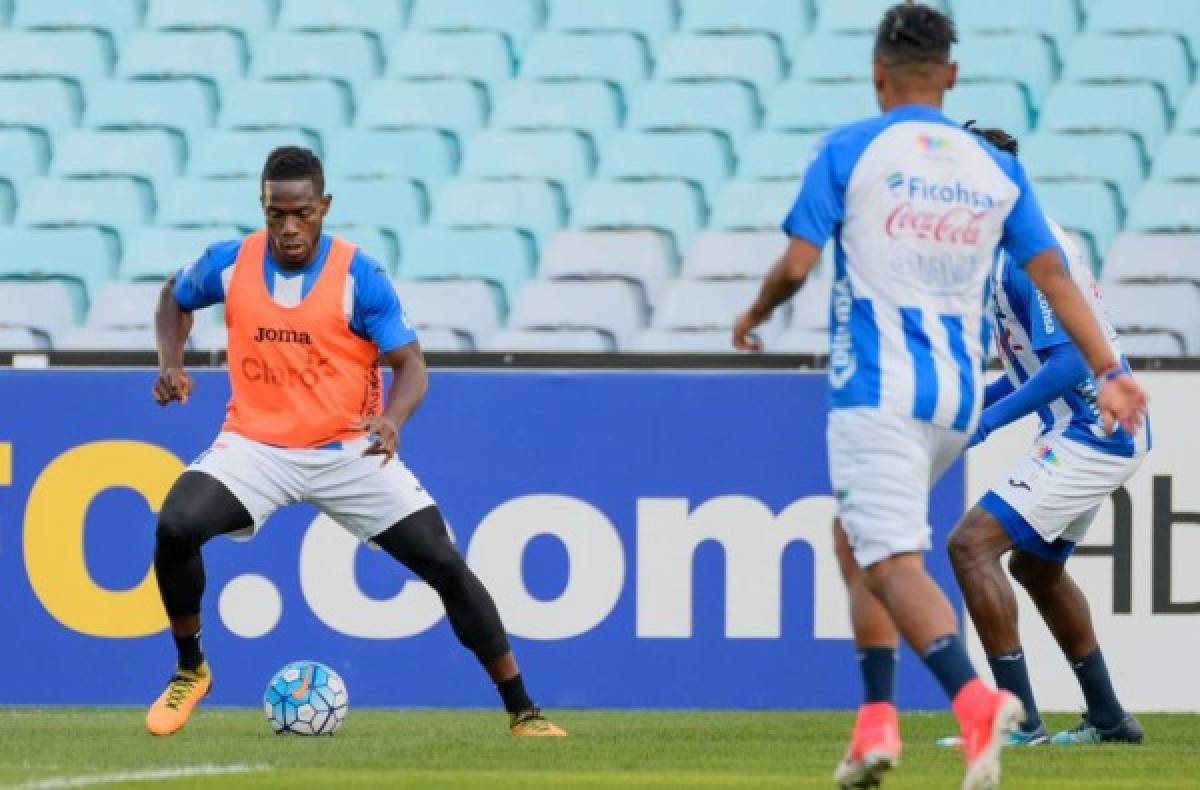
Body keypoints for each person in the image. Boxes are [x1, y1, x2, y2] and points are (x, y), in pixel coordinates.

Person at [732, 4, 1148, 789]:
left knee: (915, 552)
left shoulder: (854, 149)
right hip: (953, 397)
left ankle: (987, 706)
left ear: (876, 73)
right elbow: (1059, 284)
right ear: (951, 76)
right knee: (872, 542)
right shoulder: (997, 181)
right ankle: (891, 723)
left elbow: (794, 265)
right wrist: (1114, 370)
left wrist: (754, 314)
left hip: (883, 391)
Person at [145, 146, 566, 739]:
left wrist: (392, 419)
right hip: (255, 447)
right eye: (275, 214)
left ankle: (524, 710)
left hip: (350, 449)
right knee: (175, 527)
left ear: (324, 206)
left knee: (443, 562)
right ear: (263, 208)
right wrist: (171, 361)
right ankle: (191, 670)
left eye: (301, 213)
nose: (288, 228)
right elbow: (174, 297)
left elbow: (411, 365)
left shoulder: (358, 275)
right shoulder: (230, 263)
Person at [937, 124, 1147, 747]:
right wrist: (977, 406)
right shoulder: (1015, 248)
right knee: (1034, 566)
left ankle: (1017, 722)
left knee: (970, 546)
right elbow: (1039, 363)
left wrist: (983, 425)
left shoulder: (1029, 256)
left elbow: (1069, 364)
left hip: (1095, 430)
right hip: (1090, 425)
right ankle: (1109, 717)